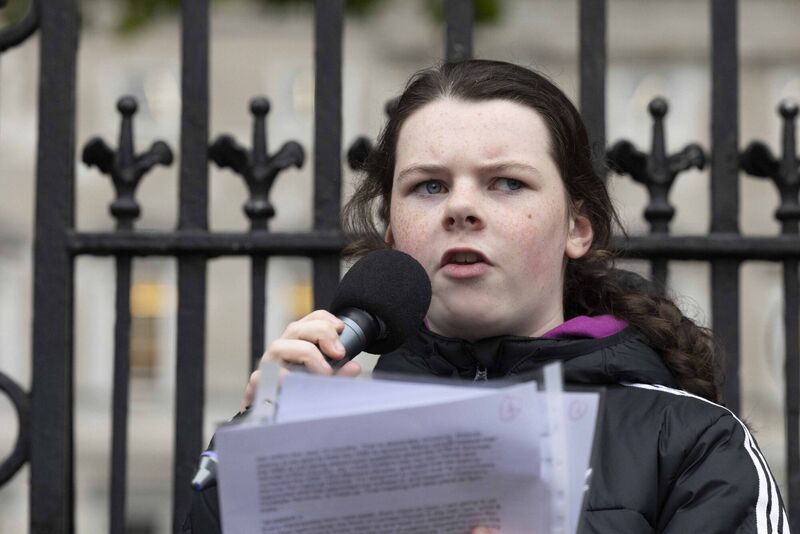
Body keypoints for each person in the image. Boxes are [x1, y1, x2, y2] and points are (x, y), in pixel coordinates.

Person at [184, 59, 789, 533]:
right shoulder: (317, 430)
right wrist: (253, 460)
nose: (462, 208)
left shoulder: (691, 441)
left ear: (578, 226)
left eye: (506, 182)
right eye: (428, 186)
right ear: (393, 235)